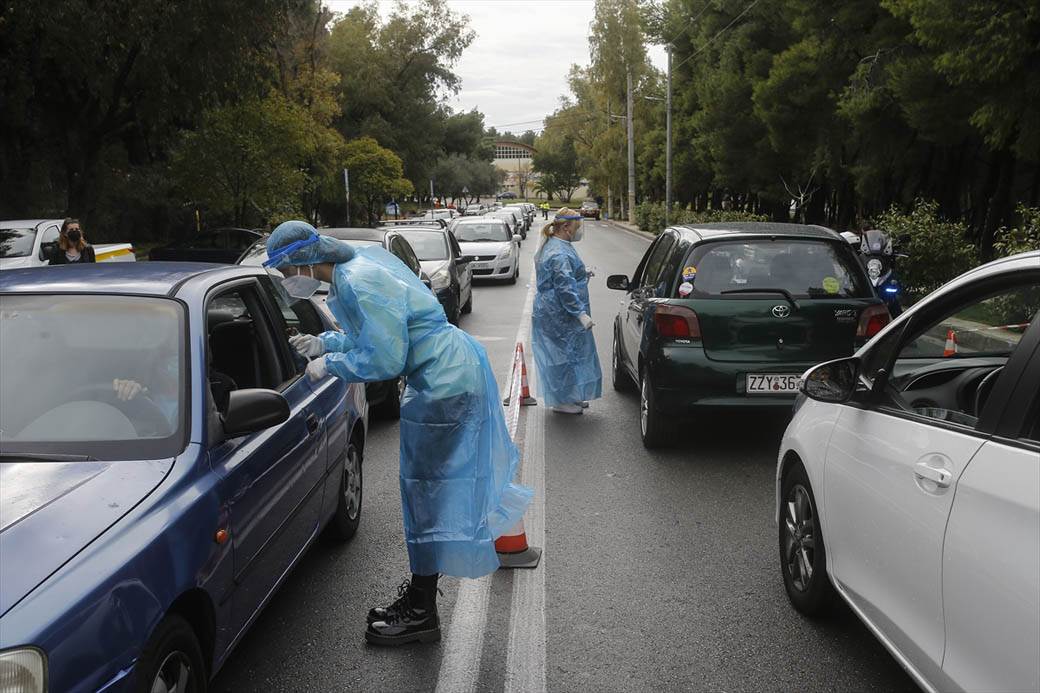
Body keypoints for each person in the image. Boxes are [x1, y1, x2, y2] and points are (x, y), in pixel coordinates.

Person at [265, 220, 532, 647]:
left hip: (444, 384)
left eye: (284, 271)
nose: (286, 281)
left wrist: (328, 365)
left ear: (302, 261)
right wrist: (325, 344)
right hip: (445, 376)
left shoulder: (356, 280)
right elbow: (372, 335)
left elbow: (386, 360)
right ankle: (421, 597)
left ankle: (423, 611)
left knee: (427, 496)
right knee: (425, 494)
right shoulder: (353, 269)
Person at [531, 208, 602, 414]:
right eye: (576, 226)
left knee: (569, 353)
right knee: (560, 356)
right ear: (565, 227)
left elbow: (565, 275)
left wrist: (582, 272)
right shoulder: (559, 252)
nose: (578, 230)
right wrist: (580, 314)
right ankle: (561, 401)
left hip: (558, 312)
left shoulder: (559, 245)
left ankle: (570, 395)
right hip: (559, 313)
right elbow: (564, 288)